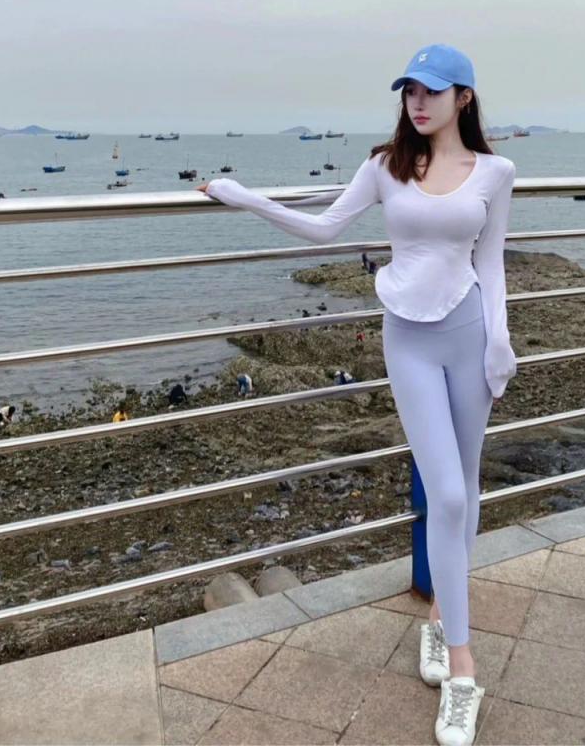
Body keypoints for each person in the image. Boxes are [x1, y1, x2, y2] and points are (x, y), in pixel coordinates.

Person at [198, 43, 517, 746]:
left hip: (469, 335)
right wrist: (243, 196)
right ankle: (463, 672)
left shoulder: (496, 172)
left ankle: (441, 619)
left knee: (465, 487)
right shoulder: (385, 166)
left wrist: (500, 339)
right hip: (407, 340)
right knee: (449, 495)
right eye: (410, 91)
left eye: (432, 91)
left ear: (463, 97)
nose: (417, 102)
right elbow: (324, 224)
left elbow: (490, 263)